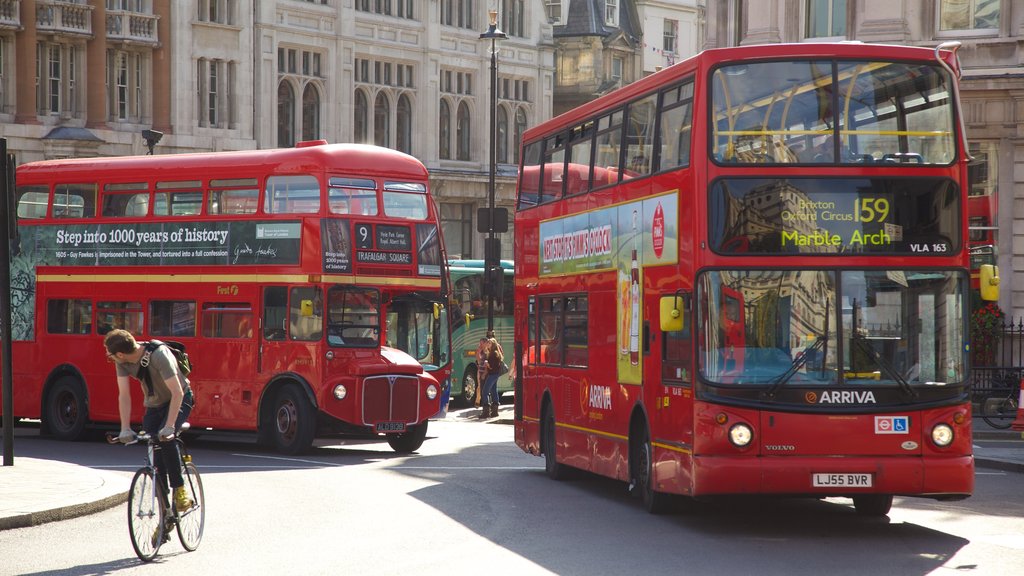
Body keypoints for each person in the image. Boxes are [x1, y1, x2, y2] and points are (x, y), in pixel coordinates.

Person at [105, 329, 195, 522]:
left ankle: (180, 491)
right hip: (155, 405)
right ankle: (166, 514)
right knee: (155, 451)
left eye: (111, 355)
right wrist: (125, 428)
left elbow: (178, 392)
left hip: (180, 399)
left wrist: (170, 426)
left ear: (120, 354)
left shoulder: (159, 355)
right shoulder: (122, 362)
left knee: (165, 439)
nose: (111, 359)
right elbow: (124, 395)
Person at [480, 337, 503, 419]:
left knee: (485, 392)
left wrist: (487, 364)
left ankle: (486, 411)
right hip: (494, 374)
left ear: (493, 344)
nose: (488, 344)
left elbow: (493, 366)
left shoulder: (494, 353)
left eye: (489, 343)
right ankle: (494, 411)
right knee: (494, 391)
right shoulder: (493, 353)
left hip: (493, 374)